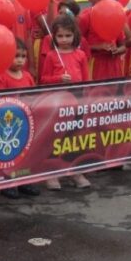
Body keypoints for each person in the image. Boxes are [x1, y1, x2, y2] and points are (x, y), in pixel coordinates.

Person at [39, 14, 91, 189]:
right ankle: (52, 173)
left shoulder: (81, 55)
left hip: (76, 100)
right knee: (56, 137)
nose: (64, 40)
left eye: (68, 36)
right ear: (54, 37)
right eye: (60, 36)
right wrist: (58, 78)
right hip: (58, 102)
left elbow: (86, 79)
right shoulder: (52, 56)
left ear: (75, 35)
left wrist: (85, 98)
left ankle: (76, 171)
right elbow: (44, 79)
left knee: (74, 136)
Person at [0, 39, 42, 199]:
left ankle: (24, 180)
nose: (20, 60)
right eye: (16, 56)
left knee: (25, 152)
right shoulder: (1, 77)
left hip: (24, 122)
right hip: (7, 124)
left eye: (23, 56)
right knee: (8, 154)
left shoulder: (27, 76)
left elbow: (33, 96)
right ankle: (7, 183)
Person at [77, 0, 125, 80]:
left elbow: (123, 45)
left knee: (116, 93)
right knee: (96, 93)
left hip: (114, 64)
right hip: (95, 63)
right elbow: (75, 46)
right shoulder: (85, 17)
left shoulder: (115, 14)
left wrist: (117, 50)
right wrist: (97, 47)